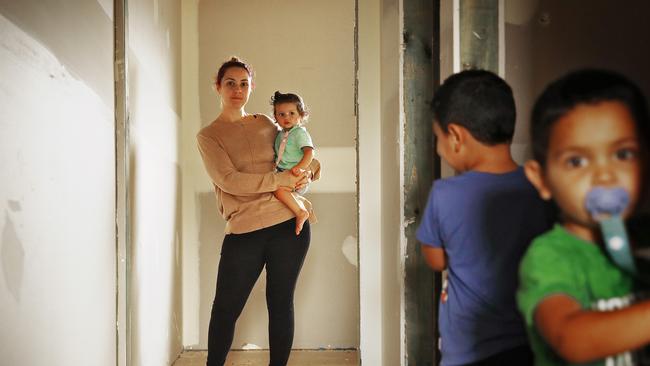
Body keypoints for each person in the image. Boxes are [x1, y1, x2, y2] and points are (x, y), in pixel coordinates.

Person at [416, 69, 553, 366]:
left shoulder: (445, 193)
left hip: (468, 348)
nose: (439, 148)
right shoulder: (538, 186)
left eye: (437, 138)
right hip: (531, 339)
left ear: (455, 137)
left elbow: (436, 261)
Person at [518, 69, 650, 365]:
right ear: (542, 180)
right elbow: (571, 339)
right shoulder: (549, 257)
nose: (604, 176)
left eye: (624, 154)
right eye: (576, 161)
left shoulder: (643, 238)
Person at [196, 56, 321, 366]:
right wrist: (281, 179)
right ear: (218, 87)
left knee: (280, 304)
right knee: (225, 308)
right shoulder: (209, 136)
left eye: (243, 83)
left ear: (251, 87)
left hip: (288, 224)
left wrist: (313, 168)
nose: (237, 89)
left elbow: (292, 157)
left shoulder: (267, 122)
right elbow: (230, 181)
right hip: (244, 230)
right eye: (230, 83)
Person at [270, 91, 315, 235]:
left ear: (301, 115)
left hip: (296, 174)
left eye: (291, 113)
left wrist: (299, 168)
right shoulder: (280, 134)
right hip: (283, 172)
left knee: (277, 189)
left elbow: (309, 152)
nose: (286, 117)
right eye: (281, 114)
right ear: (275, 117)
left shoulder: (299, 133)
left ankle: (300, 211)